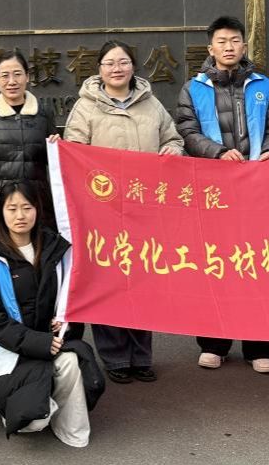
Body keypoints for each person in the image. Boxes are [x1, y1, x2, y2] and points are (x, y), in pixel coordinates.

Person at [63, 39, 184, 383]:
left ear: (133, 66)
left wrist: (173, 150)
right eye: (109, 63)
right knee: (109, 282)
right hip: (103, 212)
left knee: (144, 280)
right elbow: (74, 153)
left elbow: (173, 138)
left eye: (123, 62)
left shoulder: (151, 104)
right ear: (99, 70)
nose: (117, 69)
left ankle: (141, 356)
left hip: (146, 210)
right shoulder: (85, 107)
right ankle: (115, 357)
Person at [175, 15, 269, 373]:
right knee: (215, 265)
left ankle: (260, 346)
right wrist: (218, 152)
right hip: (213, 190)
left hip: (256, 189)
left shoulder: (262, 85)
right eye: (221, 41)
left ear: (244, 45)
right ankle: (214, 344)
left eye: (235, 40)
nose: (229, 47)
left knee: (259, 265)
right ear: (210, 48)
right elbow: (187, 130)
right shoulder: (194, 88)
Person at [0, 182, 104, 447]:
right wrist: (38, 342)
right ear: (0, 213)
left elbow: (74, 296)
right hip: (9, 352)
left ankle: (71, 430)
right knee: (30, 422)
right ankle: (35, 407)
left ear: (38, 210)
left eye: (27, 207)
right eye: (12, 209)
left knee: (71, 361)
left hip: (50, 343)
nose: (20, 215)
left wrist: (66, 322)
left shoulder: (58, 248)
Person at [0, 49, 58, 241]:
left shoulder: (44, 114)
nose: (12, 81)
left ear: (27, 76)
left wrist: (58, 149)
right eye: (5, 75)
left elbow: (55, 165)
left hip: (37, 203)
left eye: (17, 74)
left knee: (40, 254)